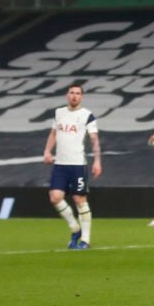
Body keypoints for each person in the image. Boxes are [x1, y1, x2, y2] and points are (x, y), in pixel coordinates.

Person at [43, 83, 101, 250]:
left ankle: (86, 240)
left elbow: (94, 139)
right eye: (71, 93)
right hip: (60, 164)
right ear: (67, 95)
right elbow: (53, 133)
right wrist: (47, 151)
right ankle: (75, 229)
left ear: (81, 97)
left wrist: (97, 161)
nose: (74, 96)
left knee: (79, 200)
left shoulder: (87, 115)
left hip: (77, 165)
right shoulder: (58, 113)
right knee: (55, 197)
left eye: (77, 93)